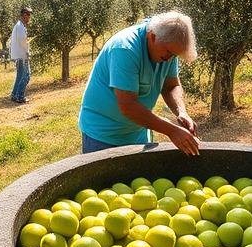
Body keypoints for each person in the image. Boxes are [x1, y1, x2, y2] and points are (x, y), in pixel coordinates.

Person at [78, 11, 201, 156]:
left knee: (140, 178)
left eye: (174, 55)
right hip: (103, 135)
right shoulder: (124, 49)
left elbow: (170, 86)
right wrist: (172, 130)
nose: (169, 59)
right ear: (152, 36)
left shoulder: (167, 48)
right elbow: (128, 105)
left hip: (138, 132)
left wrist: (181, 112)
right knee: (107, 179)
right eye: (168, 52)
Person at [9, 5, 32, 104]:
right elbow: (23, 41)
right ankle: (20, 96)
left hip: (18, 55)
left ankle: (14, 95)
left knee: (19, 76)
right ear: (23, 15)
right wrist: (28, 52)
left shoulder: (19, 26)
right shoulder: (20, 26)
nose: (29, 17)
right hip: (22, 56)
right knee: (26, 76)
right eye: (28, 15)